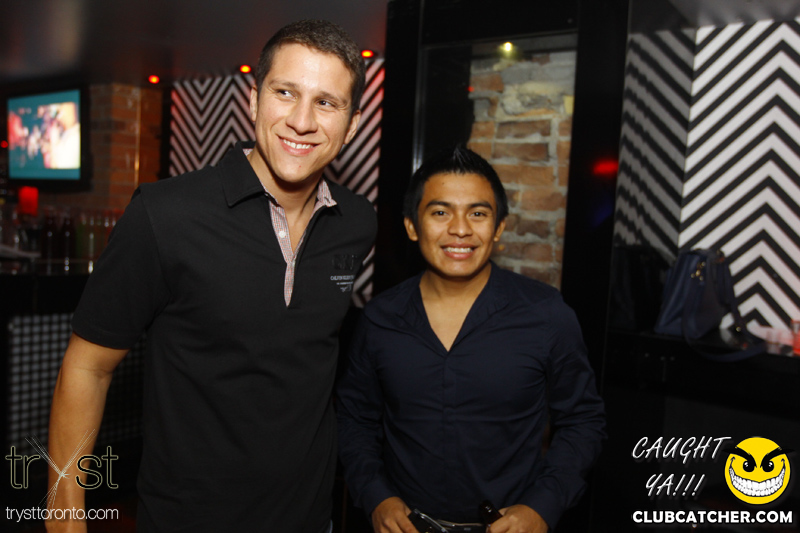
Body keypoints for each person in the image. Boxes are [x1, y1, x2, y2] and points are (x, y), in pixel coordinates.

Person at [47, 20, 376, 532]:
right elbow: (88, 368)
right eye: (285, 93)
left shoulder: (357, 222)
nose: (301, 121)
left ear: (352, 125)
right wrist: (64, 517)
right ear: (254, 100)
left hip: (310, 518)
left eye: (326, 103)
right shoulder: (164, 215)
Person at [336, 146, 605, 533]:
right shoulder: (381, 318)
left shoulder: (545, 314)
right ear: (412, 226)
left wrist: (542, 506)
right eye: (440, 212)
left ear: (498, 227)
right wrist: (376, 495)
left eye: (478, 213)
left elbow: (583, 421)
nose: (460, 229)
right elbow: (354, 419)